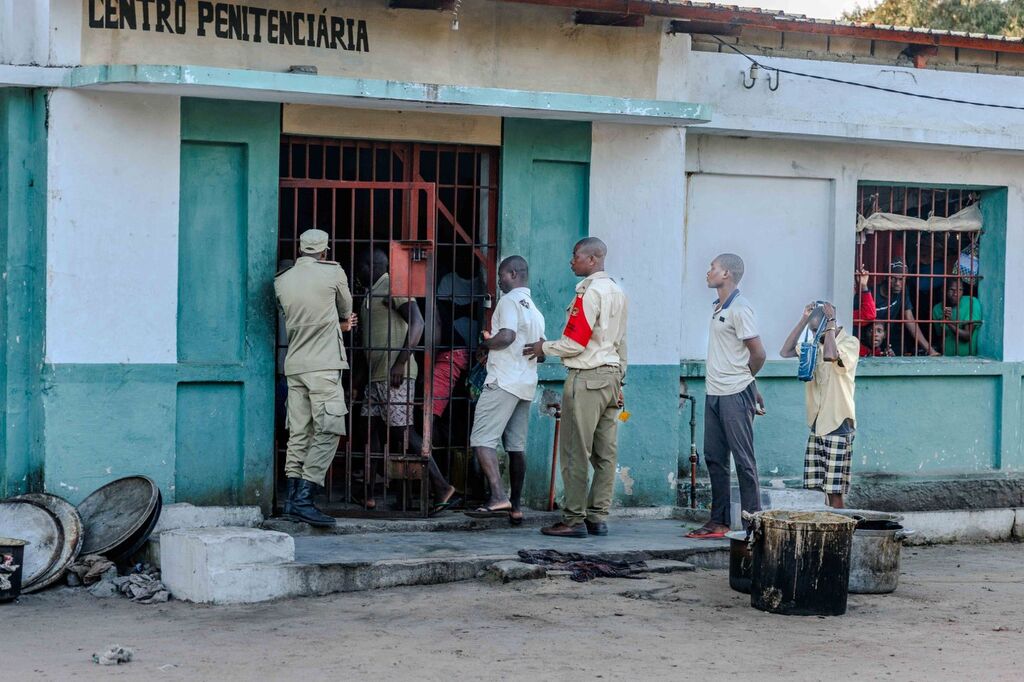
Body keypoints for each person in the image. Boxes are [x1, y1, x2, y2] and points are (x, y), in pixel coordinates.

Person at [524, 237, 627, 538]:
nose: (571, 261)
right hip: (610, 378)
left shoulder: (588, 292)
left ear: (592, 260)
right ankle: (597, 517)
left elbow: (574, 343)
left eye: (575, 256)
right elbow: (622, 342)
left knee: (574, 451)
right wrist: (619, 379)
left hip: (586, 377)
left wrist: (544, 346)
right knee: (606, 454)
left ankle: (573, 520)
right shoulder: (618, 292)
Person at [354, 249, 460, 514]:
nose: (356, 273)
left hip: (394, 376)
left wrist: (400, 362)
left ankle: (442, 486)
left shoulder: (392, 285)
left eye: (359, 267)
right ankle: (368, 493)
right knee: (371, 430)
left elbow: (418, 323)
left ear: (370, 266)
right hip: (375, 377)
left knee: (403, 431)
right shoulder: (370, 293)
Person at [274, 229, 357, 527]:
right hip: (323, 364)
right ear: (325, 251)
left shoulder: (282, 280)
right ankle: (304, 499)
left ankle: (291, 499)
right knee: (330, 428)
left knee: (299, 432)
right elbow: (346, 310)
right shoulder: (333, 273)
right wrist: (342, 324)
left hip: (294, 364)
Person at [686, 253, 766, 540]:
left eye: (713, 268)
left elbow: (758, 353)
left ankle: (753, 526)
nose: (708, 272)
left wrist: (748, 382)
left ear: (727, 275)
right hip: (714, 393)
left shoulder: (740, 309)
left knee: (744, 461)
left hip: (735, 394)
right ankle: (718, 521)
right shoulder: (719, 307)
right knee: (714, 458)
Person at [464, 256, 545, 525]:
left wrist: (486, 343)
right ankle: (516, 506)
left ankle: (498, 495)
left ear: (512, 274)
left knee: (482, 440)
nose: (499, 281)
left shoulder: (509, 301)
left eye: (501, 276)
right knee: (516, 446)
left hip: (503, 380)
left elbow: (507, 336)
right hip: (525, 383)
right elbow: (541, 351)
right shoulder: (535, 310)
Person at [780, 301, 860, 509]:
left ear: (829, 324)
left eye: (817, 328)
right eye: (811, 328)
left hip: (837, 424)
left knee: (835, 493)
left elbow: (831, 355)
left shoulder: (849, 343)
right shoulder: (814, 344)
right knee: (816, 490)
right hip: (817, 424)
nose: (813, 332)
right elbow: (785, 351)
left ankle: (841, 535)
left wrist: (831, 323)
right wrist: (803, 321)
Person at [873, 260, 939, 356]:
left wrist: (930, 350)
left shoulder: (902, 291)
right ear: (886, 277)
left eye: (901, 279)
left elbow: (909, 319)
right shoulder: (872, 293)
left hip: (889, 336)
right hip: (871, 337)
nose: (897, 283)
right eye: (893, 278)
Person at [932, 277, 982, 356]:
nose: (956, 294)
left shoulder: (971, 302)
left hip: (967, 359)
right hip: (946, 358)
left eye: (960, 290)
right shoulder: (937, 309)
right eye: (952, 290)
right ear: (944, 290)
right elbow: (941, 336)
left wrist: (948, 323)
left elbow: (967, 336)